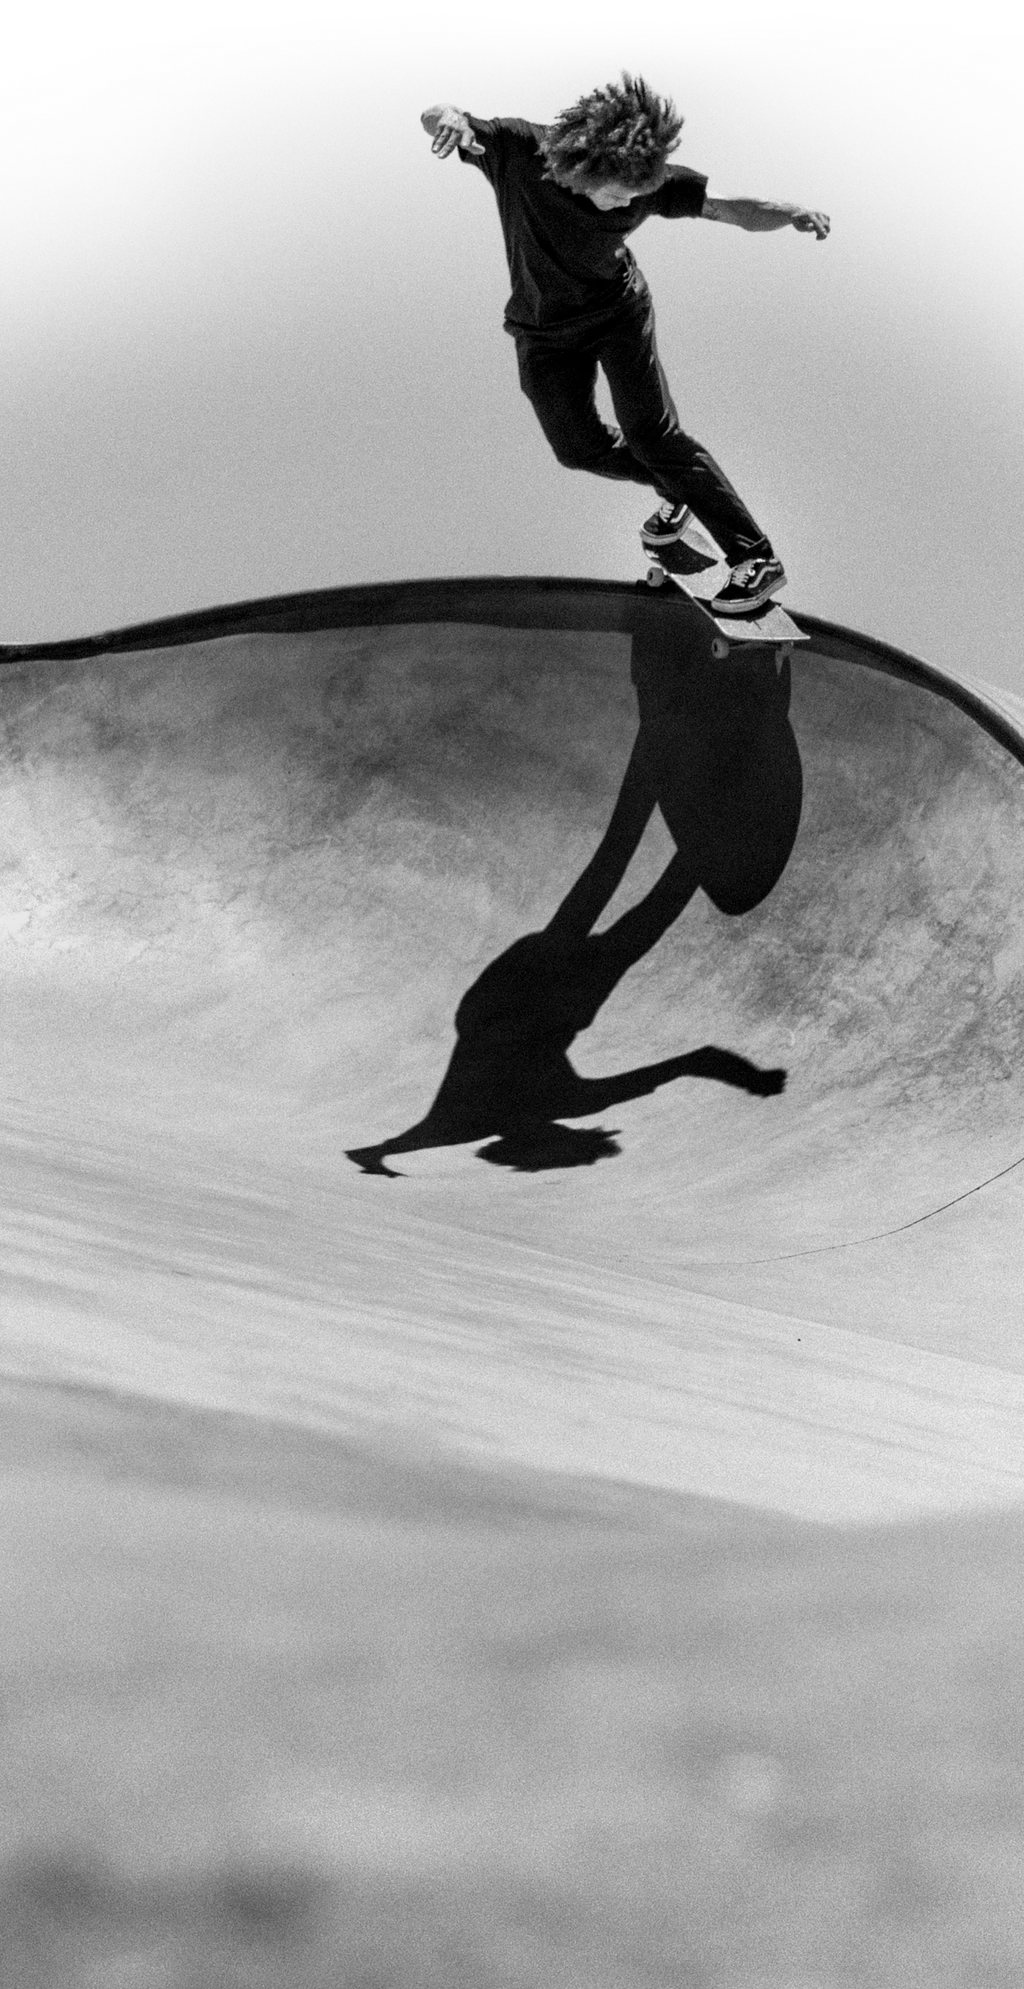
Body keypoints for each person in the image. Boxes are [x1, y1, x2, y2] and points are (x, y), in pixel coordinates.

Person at [421, 72, 829, 614]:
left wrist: (789, 212)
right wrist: (445, 115)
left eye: (635, 198)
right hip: (542, 331)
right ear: (581, 164)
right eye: (616, 195)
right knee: (577, 448)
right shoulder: (520, 151)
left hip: (618, 313)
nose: (622, 208)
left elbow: (727, 208)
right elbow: (441, 113)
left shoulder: (649, 184)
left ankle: (755, 559)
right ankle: (680, 491)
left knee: (651, 433)